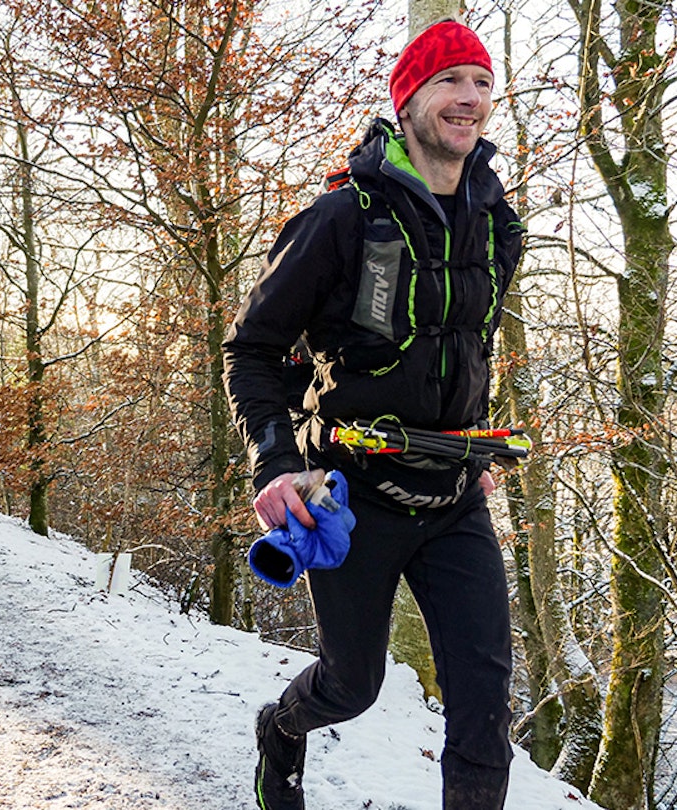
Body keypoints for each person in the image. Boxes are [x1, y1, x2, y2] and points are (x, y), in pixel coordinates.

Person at [221, 18, 524, 810]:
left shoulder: (497, 223)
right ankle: (282, 729)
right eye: (450, 81)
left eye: (483, 83)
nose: (471, 99)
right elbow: (252, 351)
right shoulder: (342, 219)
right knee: (352, 686)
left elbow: (465, 347)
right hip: (353, 495)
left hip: (454, 496)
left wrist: (472, 448)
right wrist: (278, 462)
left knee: (485, 707)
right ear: (410, 98)